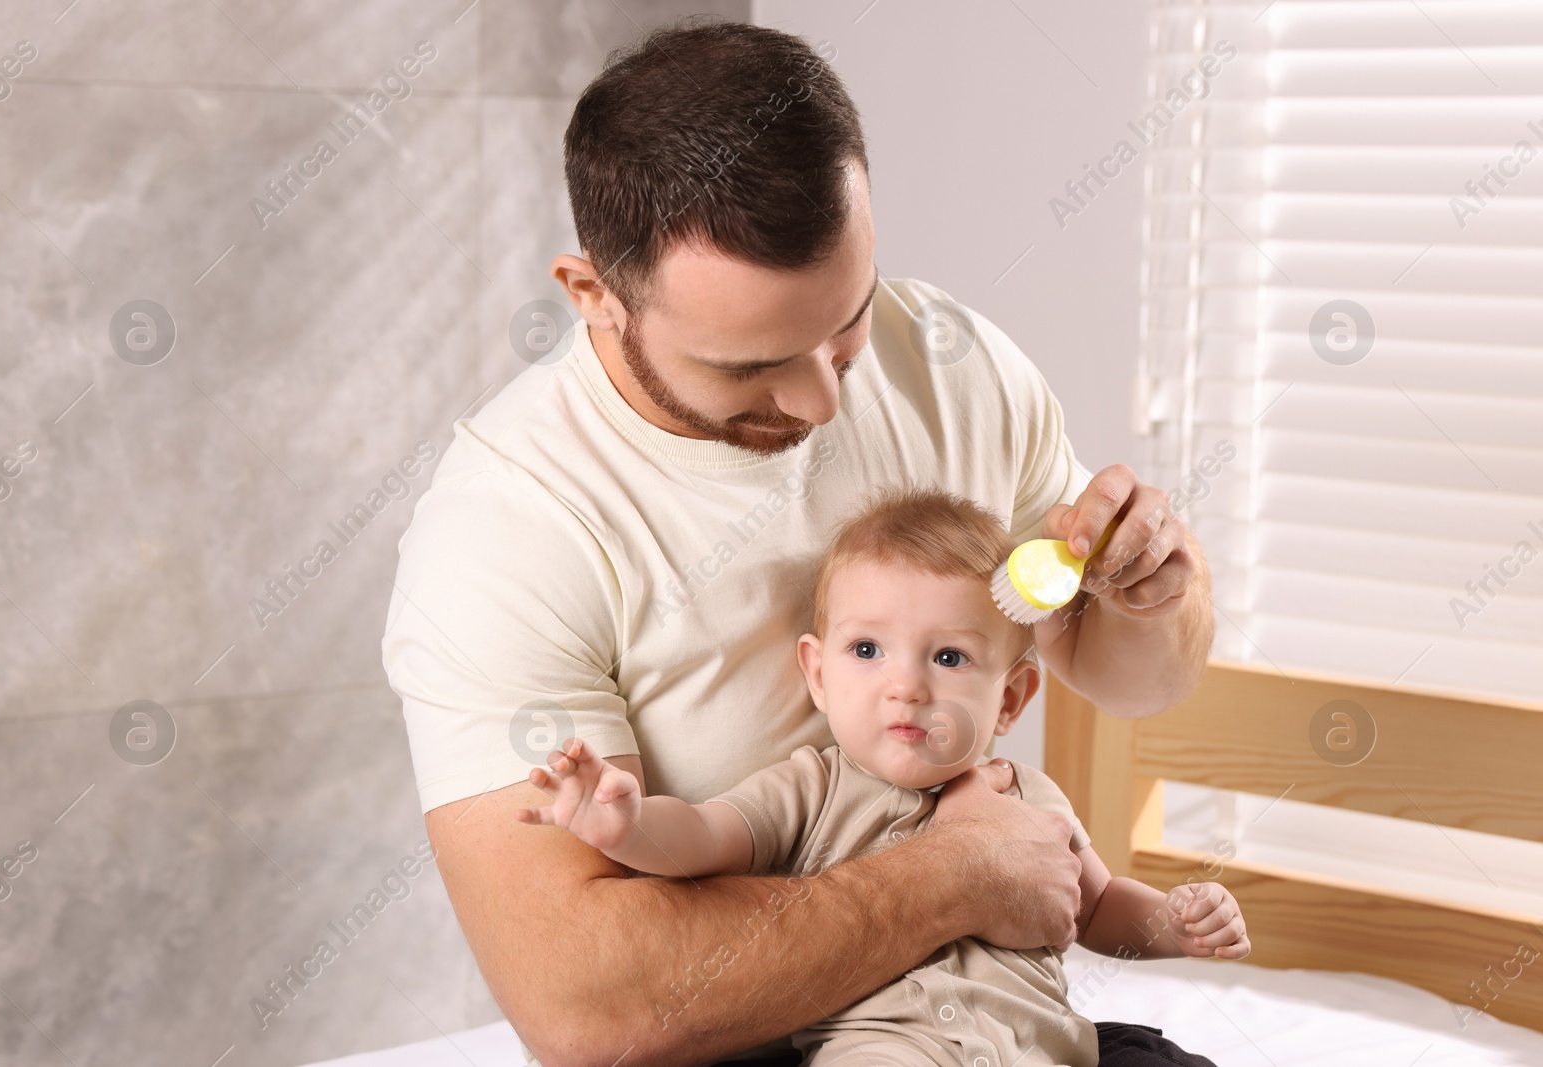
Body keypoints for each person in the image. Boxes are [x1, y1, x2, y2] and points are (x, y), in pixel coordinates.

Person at [380, 17, 1214, 1067]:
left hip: (990, 1014)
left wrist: (1151, 596)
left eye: (846, 322)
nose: (822, 399)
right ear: (593, 294)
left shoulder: (952, 364)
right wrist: (957, 873)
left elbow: (1130, 677)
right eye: (752, 365)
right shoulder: (506, 529)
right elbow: (587, 1009)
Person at [514, 488, 1245, 1067]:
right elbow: (702, 838)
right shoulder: (810, 787)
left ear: (1011, 698)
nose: (906, 686)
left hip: (1047, 1048)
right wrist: (625, 822)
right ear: (817, 673)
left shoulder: (1030, 801)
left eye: (949, 658)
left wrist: (1175, 923)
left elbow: (1099, 906)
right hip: (886, 1049)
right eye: (867, 648)